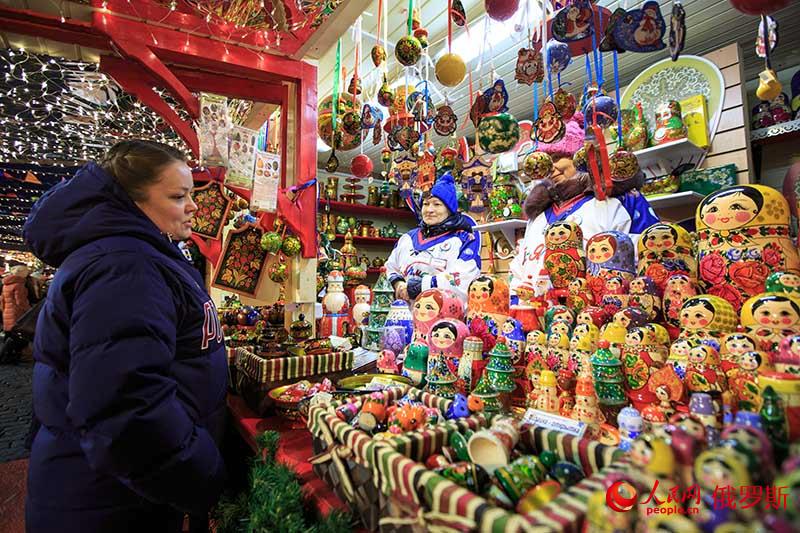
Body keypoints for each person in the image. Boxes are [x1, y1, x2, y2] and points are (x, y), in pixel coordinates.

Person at [23, 140, 227, 532]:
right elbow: (126, 407)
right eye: (178, 195)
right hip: (107, 500)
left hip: (110, 489)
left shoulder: (130, 255)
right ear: (133, 201)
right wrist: (205, 474)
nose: (194, 206)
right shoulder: (125, 266)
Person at [510, 112, 659, 302]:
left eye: (556, 158)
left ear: (579, 157)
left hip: (599, 317)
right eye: (542, 162)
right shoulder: (538, 215)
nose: (549, 168)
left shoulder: (615, 201)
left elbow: (647, 258)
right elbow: (520, 270)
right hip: (538, 320)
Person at [385, 172, 481, 304]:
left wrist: (421, 286)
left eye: (437, 204)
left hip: (444, 320)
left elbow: (465, 276)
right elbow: (390, 266)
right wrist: (398, 283)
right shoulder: (407, 238)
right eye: (425, 204)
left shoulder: (464, 239)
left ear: (450, 209)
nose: (429, 210)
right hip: (405, 317)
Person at [1, 264, 31, 332]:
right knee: (17, 332)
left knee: (10, 332)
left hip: (7, 311)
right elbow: (20, 302)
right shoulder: (19, 285)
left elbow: (2, 299)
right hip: (17, 313)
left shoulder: (6, 284)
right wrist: (29, 310)